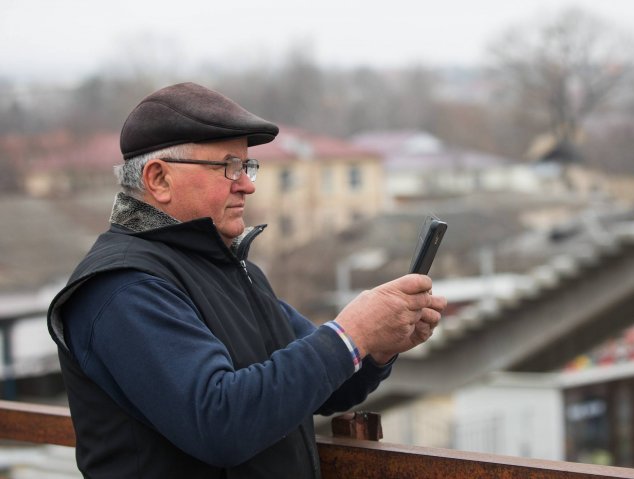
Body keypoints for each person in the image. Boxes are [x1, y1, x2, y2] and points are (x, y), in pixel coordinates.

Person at [47, 82, 447, 478]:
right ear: (159, 179)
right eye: (228, 167)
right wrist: (352, 333)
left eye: (247, 165)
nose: (247, 184)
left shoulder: (233, 270)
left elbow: (324, 384)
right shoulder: (123, 286)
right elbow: (220, 425)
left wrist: (377, 344)